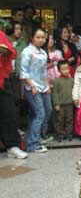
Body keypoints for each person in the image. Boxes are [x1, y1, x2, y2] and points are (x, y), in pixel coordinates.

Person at [20, 28, 51, 153]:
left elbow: (44, 71)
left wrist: (47, 85)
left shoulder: (43, 52)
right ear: (32, 38)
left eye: (43, 37)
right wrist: (31, 86)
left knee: (47, 111)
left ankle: (33, 138)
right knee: (40, 113)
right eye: (38, 37)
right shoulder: (27, 52)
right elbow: (23, 72)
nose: (41, 40)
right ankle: (33, 144)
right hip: (32, 87)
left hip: (43, 86)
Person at [0, 24, 27, 159]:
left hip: (2, 79)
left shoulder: (1, 35)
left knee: (9, 113)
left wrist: (5, 51)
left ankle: (12, 146)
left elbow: (13, 53)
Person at [52, 60, 74, 142]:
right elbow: (55, 93)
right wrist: (56, 104)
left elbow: (74, 91)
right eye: (63, 69)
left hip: (69, 104)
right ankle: (60, 134)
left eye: (67, 69)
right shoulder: (57, 81)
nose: (66, 71)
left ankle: (69, 133)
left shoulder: (71, 80)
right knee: (60, 120)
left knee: (69, 119)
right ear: (59, 70)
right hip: (60, 104)